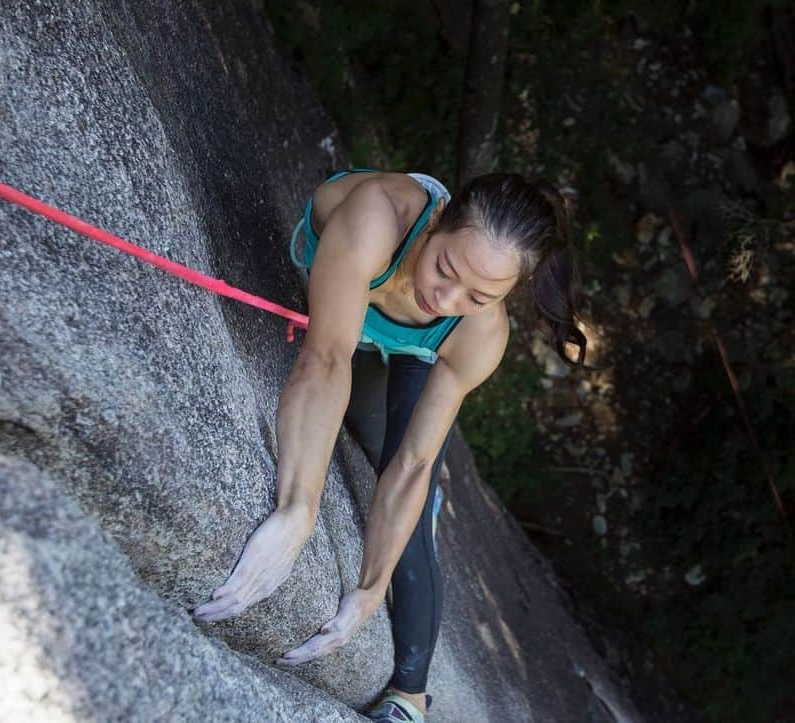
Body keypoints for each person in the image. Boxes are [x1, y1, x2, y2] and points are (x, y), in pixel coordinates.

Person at [191, 169, 588, 722]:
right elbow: (326, 356)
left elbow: (414, 462)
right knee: (358, 409)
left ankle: (409, 698)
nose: (446, 298)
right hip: (347, 315)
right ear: (436, 222)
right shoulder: (380, 216)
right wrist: (298, 510)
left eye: (479, 295)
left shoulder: (478, 333)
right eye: (445, 268)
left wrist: (370, 589)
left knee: (415, 499)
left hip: (412, 353)